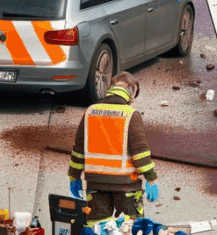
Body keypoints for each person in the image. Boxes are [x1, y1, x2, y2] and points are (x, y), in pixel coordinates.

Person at [67, 73, 158, 225]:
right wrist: (151, 179)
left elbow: (79, 149)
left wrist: (74, 176)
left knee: (98, 228)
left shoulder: (90, 112)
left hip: (95, 183)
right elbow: (140, 152)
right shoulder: (131, 114)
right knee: (130, 229)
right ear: (130, 92)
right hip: (126, 185)